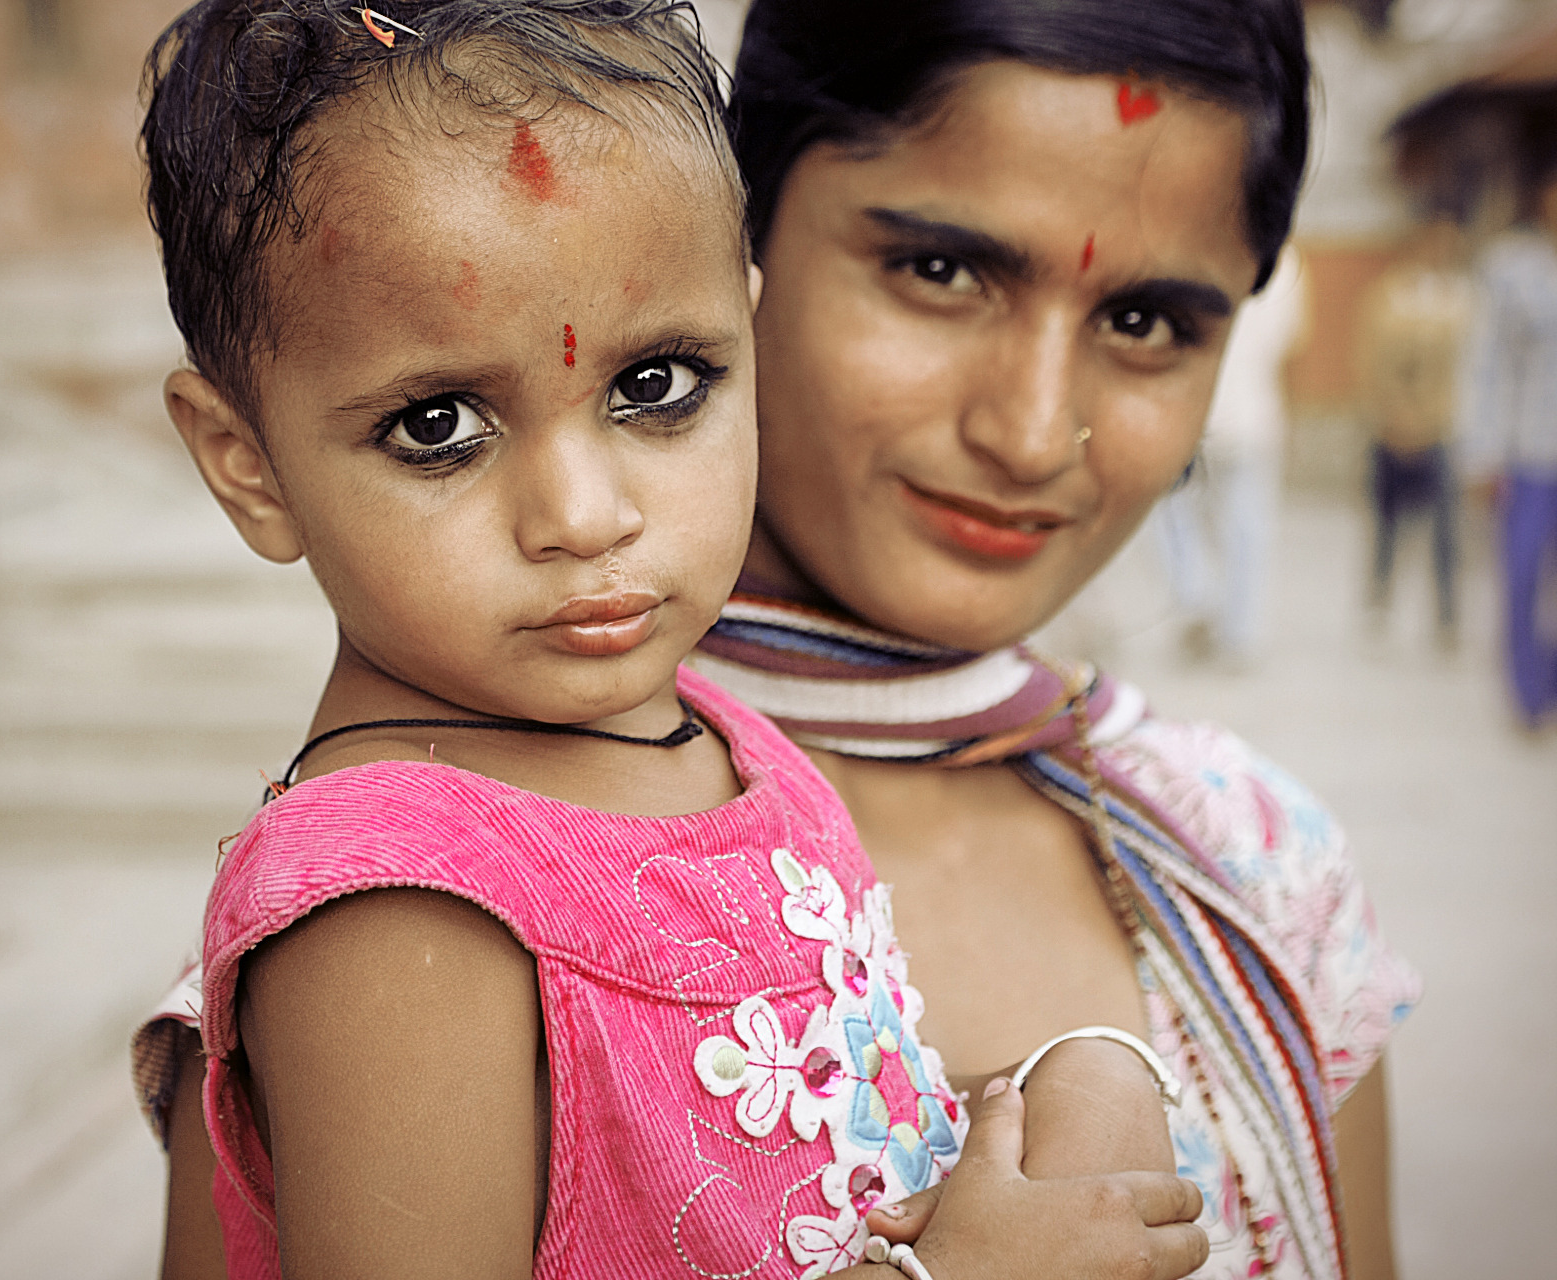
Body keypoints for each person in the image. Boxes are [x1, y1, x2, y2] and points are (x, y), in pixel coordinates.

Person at [136, 2, 1210, 1278]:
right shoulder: (397, 914)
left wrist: (1048, 1110)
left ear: (748, 338)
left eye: (656, 387)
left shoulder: (713, 732)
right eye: (438, 425)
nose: (586, 517)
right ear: (245, 464)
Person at [700, 0, 1418, 1276]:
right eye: (941, 270)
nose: (1033, 435)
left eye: (1144, 324)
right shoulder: (459, 871)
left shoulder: (1256, 870)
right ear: (731, 228)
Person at [1156, 244, 1307, 666]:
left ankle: (1195, 595)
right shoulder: (1286, 261)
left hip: (1196, 414)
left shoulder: (1196, 243)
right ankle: (1238, 631)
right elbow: (1292, 348)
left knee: (1175, 514)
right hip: (1249, 415)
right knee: (1246, 527)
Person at [1461, 166, 1557, 725]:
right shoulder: (1513, 269)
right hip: (1529, 453)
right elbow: (1488, 364)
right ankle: (1527, 694)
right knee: (1521, 576)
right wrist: (1483, 452)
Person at [1359, 217, 1472, 645]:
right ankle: (1379, 599)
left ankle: (1446, 614)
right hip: (1393, 424)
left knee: (1445, 529)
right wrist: (1395, 414)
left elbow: (1464, 370)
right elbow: (1371, 359)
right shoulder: (1391, 293)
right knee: (1387, 521)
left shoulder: (1462, 297)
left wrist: (1431, 421)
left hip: (1442, 426)